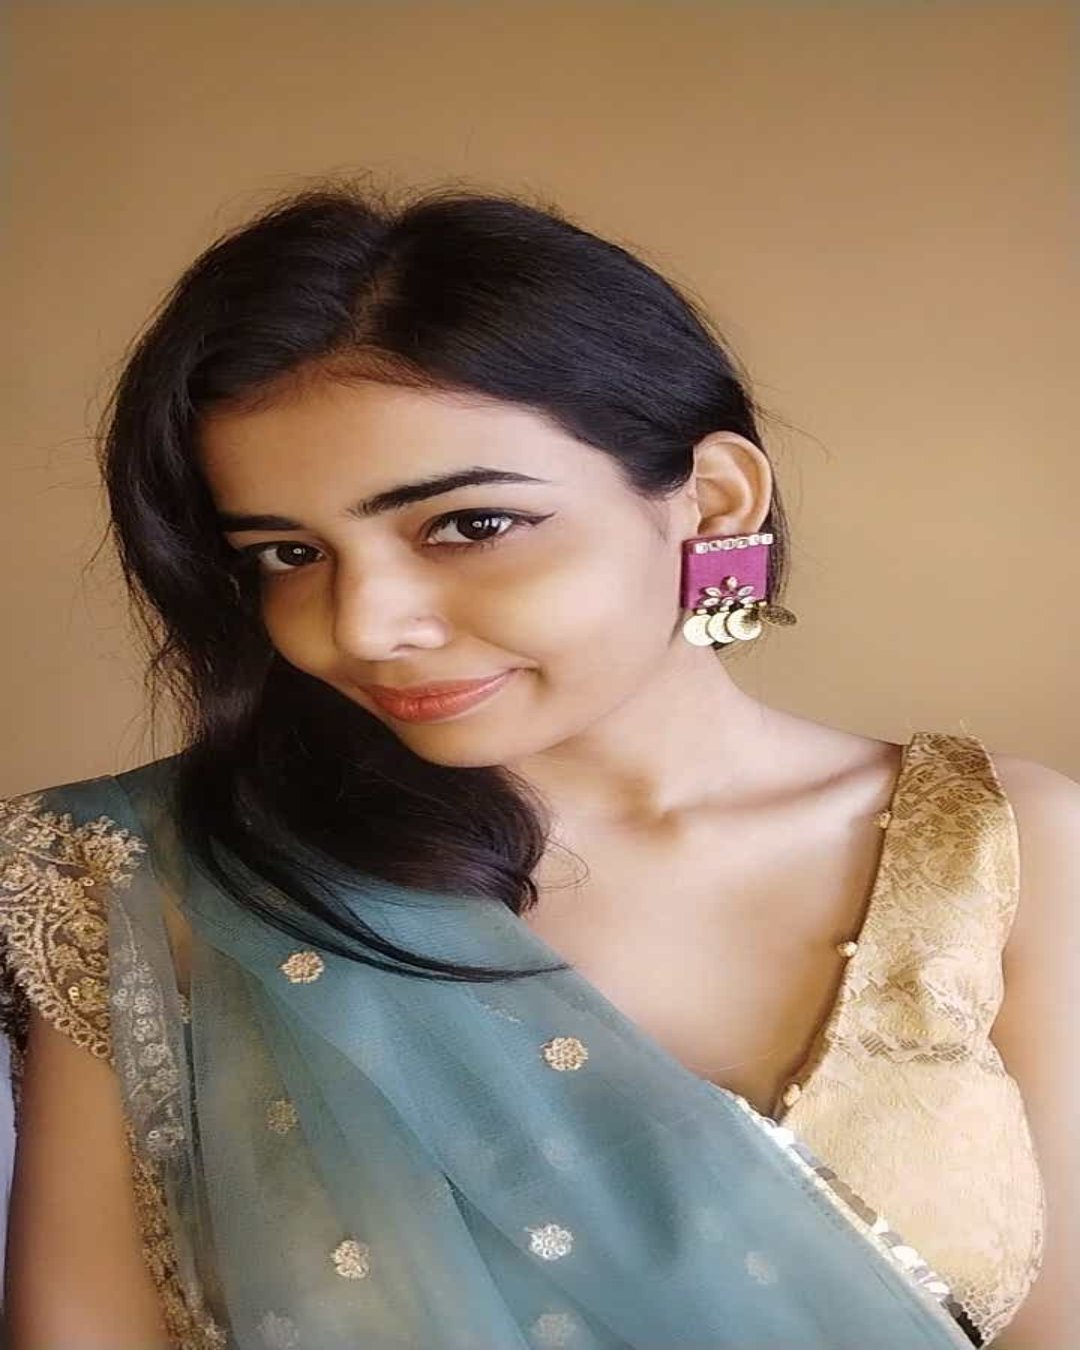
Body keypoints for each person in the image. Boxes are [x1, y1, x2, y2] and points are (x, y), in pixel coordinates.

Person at [0, 181, 1074, 1350]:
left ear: (714, 501)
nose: (362, 625)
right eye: (287, 552)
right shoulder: (153, 880)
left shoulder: (999, 846)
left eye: (466, 525)